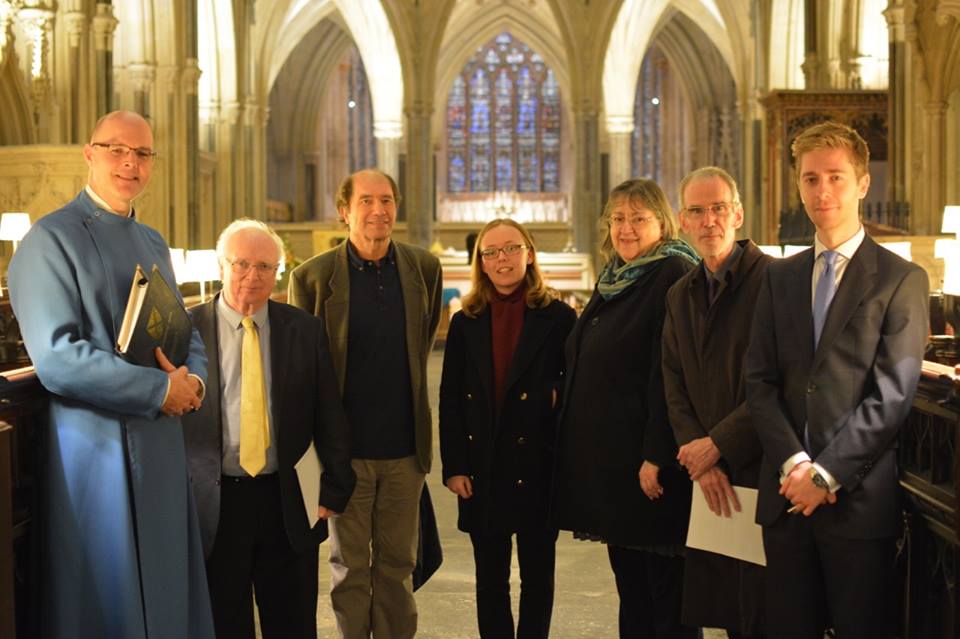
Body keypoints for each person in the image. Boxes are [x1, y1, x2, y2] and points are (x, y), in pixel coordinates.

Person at [7, 110, 214, 638]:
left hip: (162, 445)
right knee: (107, 597)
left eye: (143, 154)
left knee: (168, 595)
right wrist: (158, 389)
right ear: (89, 153)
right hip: (93, 451)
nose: (130, 163)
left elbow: (183, 331)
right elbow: (57, 359)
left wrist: (195, 382)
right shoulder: (48, 241)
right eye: (117, 149)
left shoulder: (152, 242)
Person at [745, 121, 929, 638]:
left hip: (856, 502)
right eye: (809, 179)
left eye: (835, 177)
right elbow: (758, 382)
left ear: (863, 184)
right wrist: (796, 464)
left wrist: (824, 475)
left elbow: (892, 396)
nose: (821, 191)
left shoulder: (900, 279)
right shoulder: (778, 277)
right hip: (786, 498)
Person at [181, 219, 356, 638]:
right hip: (214, 501)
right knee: (225, 623)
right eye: (241, 264)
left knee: (292, 623)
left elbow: (328, 414)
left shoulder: (304, 329)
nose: (251, 276)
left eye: (264, 266)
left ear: (277, 271)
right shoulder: (186, 330)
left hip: (289, 498)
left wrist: (332, 490)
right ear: (222, 266)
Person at [288, 168, 442, 639]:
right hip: (343, 456)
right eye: (367, 201)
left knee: (398, 565)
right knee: (349, 567)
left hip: (403, 453)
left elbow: (423, 346)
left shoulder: (424, 269)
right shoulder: (313, 277)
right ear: (344, 211)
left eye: (387, 200)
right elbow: (303, 375)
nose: (379, 210)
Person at [553, 178, 700, 638]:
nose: (627, 228)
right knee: (634, 592)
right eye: (618, 218)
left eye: (639, 218)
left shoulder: (672, 272)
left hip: (653, 472)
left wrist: (657, 453)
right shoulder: (619, 275)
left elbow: (669, 372)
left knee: (666, 600)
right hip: (619, 471)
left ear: (663, 222)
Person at [440, 218, 575, 638]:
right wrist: (455, 466)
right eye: (492, 252)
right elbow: (449, 399)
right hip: (483, 465)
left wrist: (551, 396)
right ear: (480, 262)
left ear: (529, 253)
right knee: (490, 580)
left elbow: (574, 383)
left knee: (538, 578)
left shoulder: (558, 317)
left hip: (538, 463)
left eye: (511, 249)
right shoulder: (466, 321)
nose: (502, 259)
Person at [661, 166, 772, 637]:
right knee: (725, 611)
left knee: (765, 612)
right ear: (682, 221)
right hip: (708, 475)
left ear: (739, 214)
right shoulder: (679, 292)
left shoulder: (775, 280)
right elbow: (674, 379)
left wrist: (718, 445)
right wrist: (699, 455)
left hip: (761, 465)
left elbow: (780, 381)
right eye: (697, 211)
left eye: (719, 208)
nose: (710, 221)